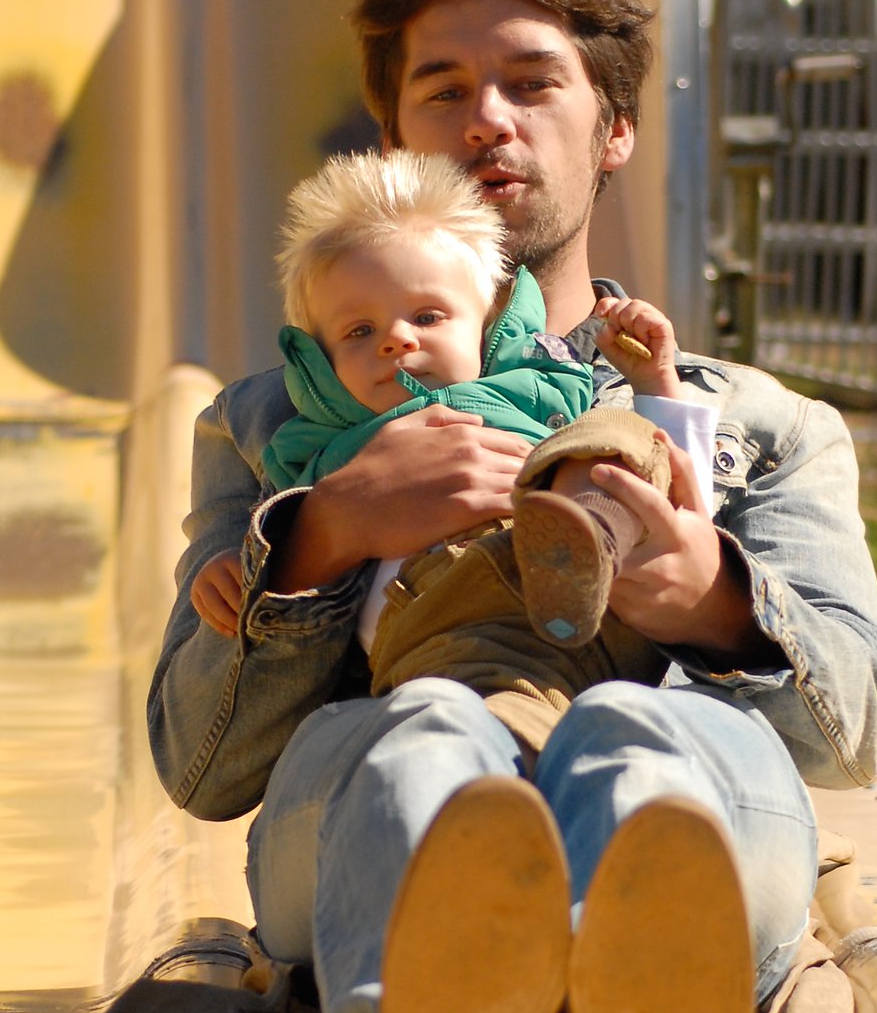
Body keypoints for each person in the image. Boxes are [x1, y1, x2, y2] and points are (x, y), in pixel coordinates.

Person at [148, 0, 877, 1013]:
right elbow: (200, 764)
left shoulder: (752, 421)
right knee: (419, 748)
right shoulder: (278, 422)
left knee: (649, 745)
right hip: (394, 768)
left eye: (532, 83)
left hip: (679, 767)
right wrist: (321, 541)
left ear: (611, 130)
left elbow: (860, 724)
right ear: (397, 139)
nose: (486, 118)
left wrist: (707, 598)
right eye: (444, 88)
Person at [190, 147, 720, 758]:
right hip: (437, 624)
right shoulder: (321, 451)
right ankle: (502, 801)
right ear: (321, 363)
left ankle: (580, 537)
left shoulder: (543, 392)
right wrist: (240, 570)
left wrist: (656, 386)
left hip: (588, 609)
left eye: (428, 315)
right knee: (467, 720)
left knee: (618, 439)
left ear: (486, 324)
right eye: (359, 332)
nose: (396, 338)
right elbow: (289, 555)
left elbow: (687, 509)